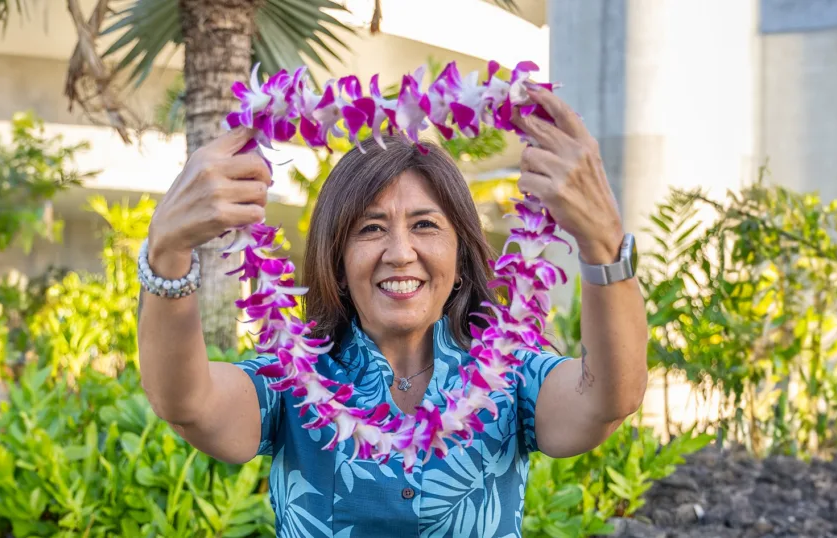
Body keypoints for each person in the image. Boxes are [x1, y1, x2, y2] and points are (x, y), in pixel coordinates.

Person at [137, 86, 648, 536]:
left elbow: (608, 398)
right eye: (371, 228)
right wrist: (167, 249)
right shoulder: (290, 381)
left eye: (425, 225)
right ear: (337, 263)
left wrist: (602, 241)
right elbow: (189, 403)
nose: (400, 252)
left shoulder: (513, 375)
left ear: (460, 256)